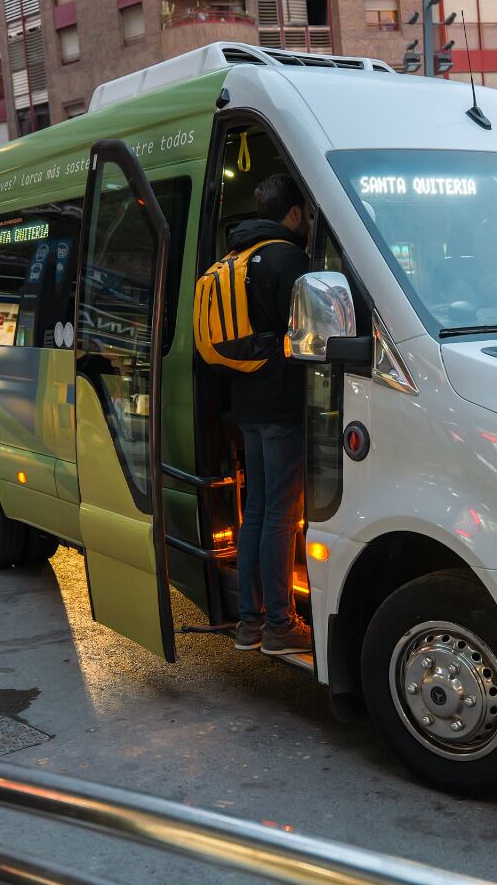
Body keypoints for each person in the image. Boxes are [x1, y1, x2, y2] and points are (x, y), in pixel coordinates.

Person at [228, 174, 313, 657]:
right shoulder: (290, 260)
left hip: (246, 402)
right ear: (295, 214)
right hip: (281, 403)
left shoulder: (236, 259)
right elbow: (308, 335)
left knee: (257, 509)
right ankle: (280, 623)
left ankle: (249, 621)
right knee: (282, 514)